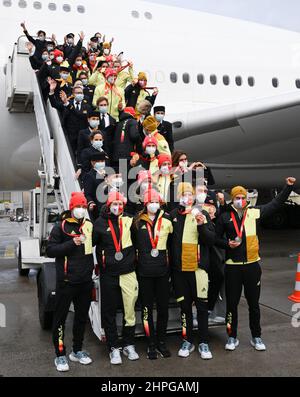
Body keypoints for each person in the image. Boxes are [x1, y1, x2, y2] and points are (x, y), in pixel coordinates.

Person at [215, 177, 297, 352]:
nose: (240, 200)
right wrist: (226, 245)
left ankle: (256, 336)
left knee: (254, 304)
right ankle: (231, 337)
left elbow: (275, 204)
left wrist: (288, 187)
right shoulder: (224, 217)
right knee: (232, 304)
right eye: (237, 197)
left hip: (252, 265)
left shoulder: (254, 212)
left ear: (246, 199)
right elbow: (215, 239)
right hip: (232, 266)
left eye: (243, 197)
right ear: (232, 199)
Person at [46, 192, 94, 372]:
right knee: (60, 319)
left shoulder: (89, 225)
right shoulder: (60, 226)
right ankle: (60, 355)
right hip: (66, 282)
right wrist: (71, 243)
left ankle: (77, 350)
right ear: (71, 207)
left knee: (81, 319)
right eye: (77, 207)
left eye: (83, 206)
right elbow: (50, 251)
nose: (80, 209)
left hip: (85, 281)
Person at [92, 191, 139, 365]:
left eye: (120, 204)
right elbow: (91, 244)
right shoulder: (99, 223)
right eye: (114, 204)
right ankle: (113, 347)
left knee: (129, 311)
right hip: (109, 273)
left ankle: (129, 344)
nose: (117, 207)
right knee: (109, 312)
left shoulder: (129, 220)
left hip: (128, 272)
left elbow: (138, 240)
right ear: (108, 205)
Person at [169, 182, 215, 360]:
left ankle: (204, 342)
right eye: (183, 194)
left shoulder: (202, 214)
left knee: (202, 308)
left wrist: (202, 225)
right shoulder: (173, 215)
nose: (187, 197)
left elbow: (211, 240)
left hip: (198, 269)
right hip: (180, 271)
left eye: (190, 194)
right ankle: (187, 340)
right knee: (185, 307)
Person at [134, 188, 173, 359]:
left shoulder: (167, 220)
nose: (154, 205)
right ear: (145, 204)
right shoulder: (137, 222)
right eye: (151, 202)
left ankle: (161, 342)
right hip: (144, 272)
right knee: (146, 310)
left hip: (163, 272)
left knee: (163, 309)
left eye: (157, 202)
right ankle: (150, 343)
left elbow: (172, 245)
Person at [48, 79, 91, 156]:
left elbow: (80, 115)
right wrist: (51, 91)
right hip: (69, 135)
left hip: (82, 136)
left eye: (81, 93)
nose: (80, 94)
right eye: (78, 93)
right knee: (70, 155)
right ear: (73, 94)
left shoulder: (87, 106)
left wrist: (67, 104)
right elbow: (54, 104)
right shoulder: (67, 102)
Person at [111, 107, 141, 172]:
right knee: (125, 178)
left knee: (118, 178)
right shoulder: (133, 122)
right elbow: (134, 136)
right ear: (133, 114)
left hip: (115, 156)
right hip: (127, 156)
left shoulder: (118, 124)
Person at [83, 151, 109, 221]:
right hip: (98, 209)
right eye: (99, 161)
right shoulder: (89, 176)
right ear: (93, 162)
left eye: (103, 161)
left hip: (110, 207)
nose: (101, 163)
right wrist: (90, 202)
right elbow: (88, 194)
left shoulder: (107, 174)